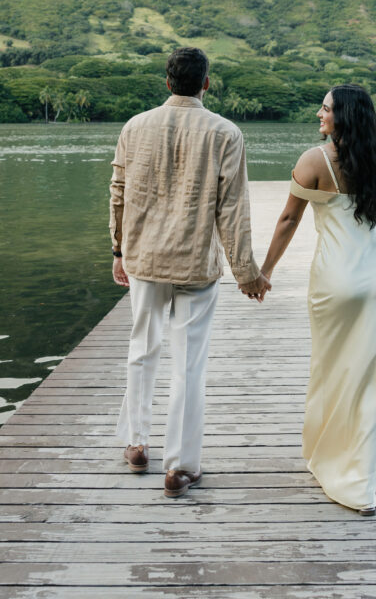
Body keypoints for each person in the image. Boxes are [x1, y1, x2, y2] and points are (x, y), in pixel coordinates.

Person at [109, 47, 270, 498]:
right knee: (188, 364)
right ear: (206, 83)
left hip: (145, 260)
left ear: (166, 82)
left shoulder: (134, 127)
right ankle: (179, 468)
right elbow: (233, 209)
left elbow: (117, 193)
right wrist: (246, 272)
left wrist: (118, 250)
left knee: (142, 348)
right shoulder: (225, 133)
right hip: (197, 263)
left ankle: (137, 444)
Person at [255, 84, 376, 515]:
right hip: (375, 280)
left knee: (329, 368)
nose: (318, 114)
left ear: (343, 118)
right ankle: (360, 484)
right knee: (370, 383)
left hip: (334, 281)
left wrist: (265, 272)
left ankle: (325, 456)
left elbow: (288, 219)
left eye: (325, 109)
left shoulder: (314, 160)